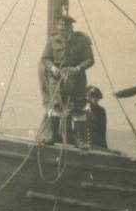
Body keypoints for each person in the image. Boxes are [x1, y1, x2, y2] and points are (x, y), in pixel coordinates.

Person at [40, 15, 95, 147]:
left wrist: (77, 68)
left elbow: (90, 59)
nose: (62, 29)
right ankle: (51, 138)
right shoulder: (52, 41)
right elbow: (45, 58)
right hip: (57, 79)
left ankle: (79, 140)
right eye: (59, 26)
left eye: (64, 26)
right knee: (56, 107)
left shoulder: (82, 40)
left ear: (71, 27)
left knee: (78, 109)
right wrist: (52, 68)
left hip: (76, 80)